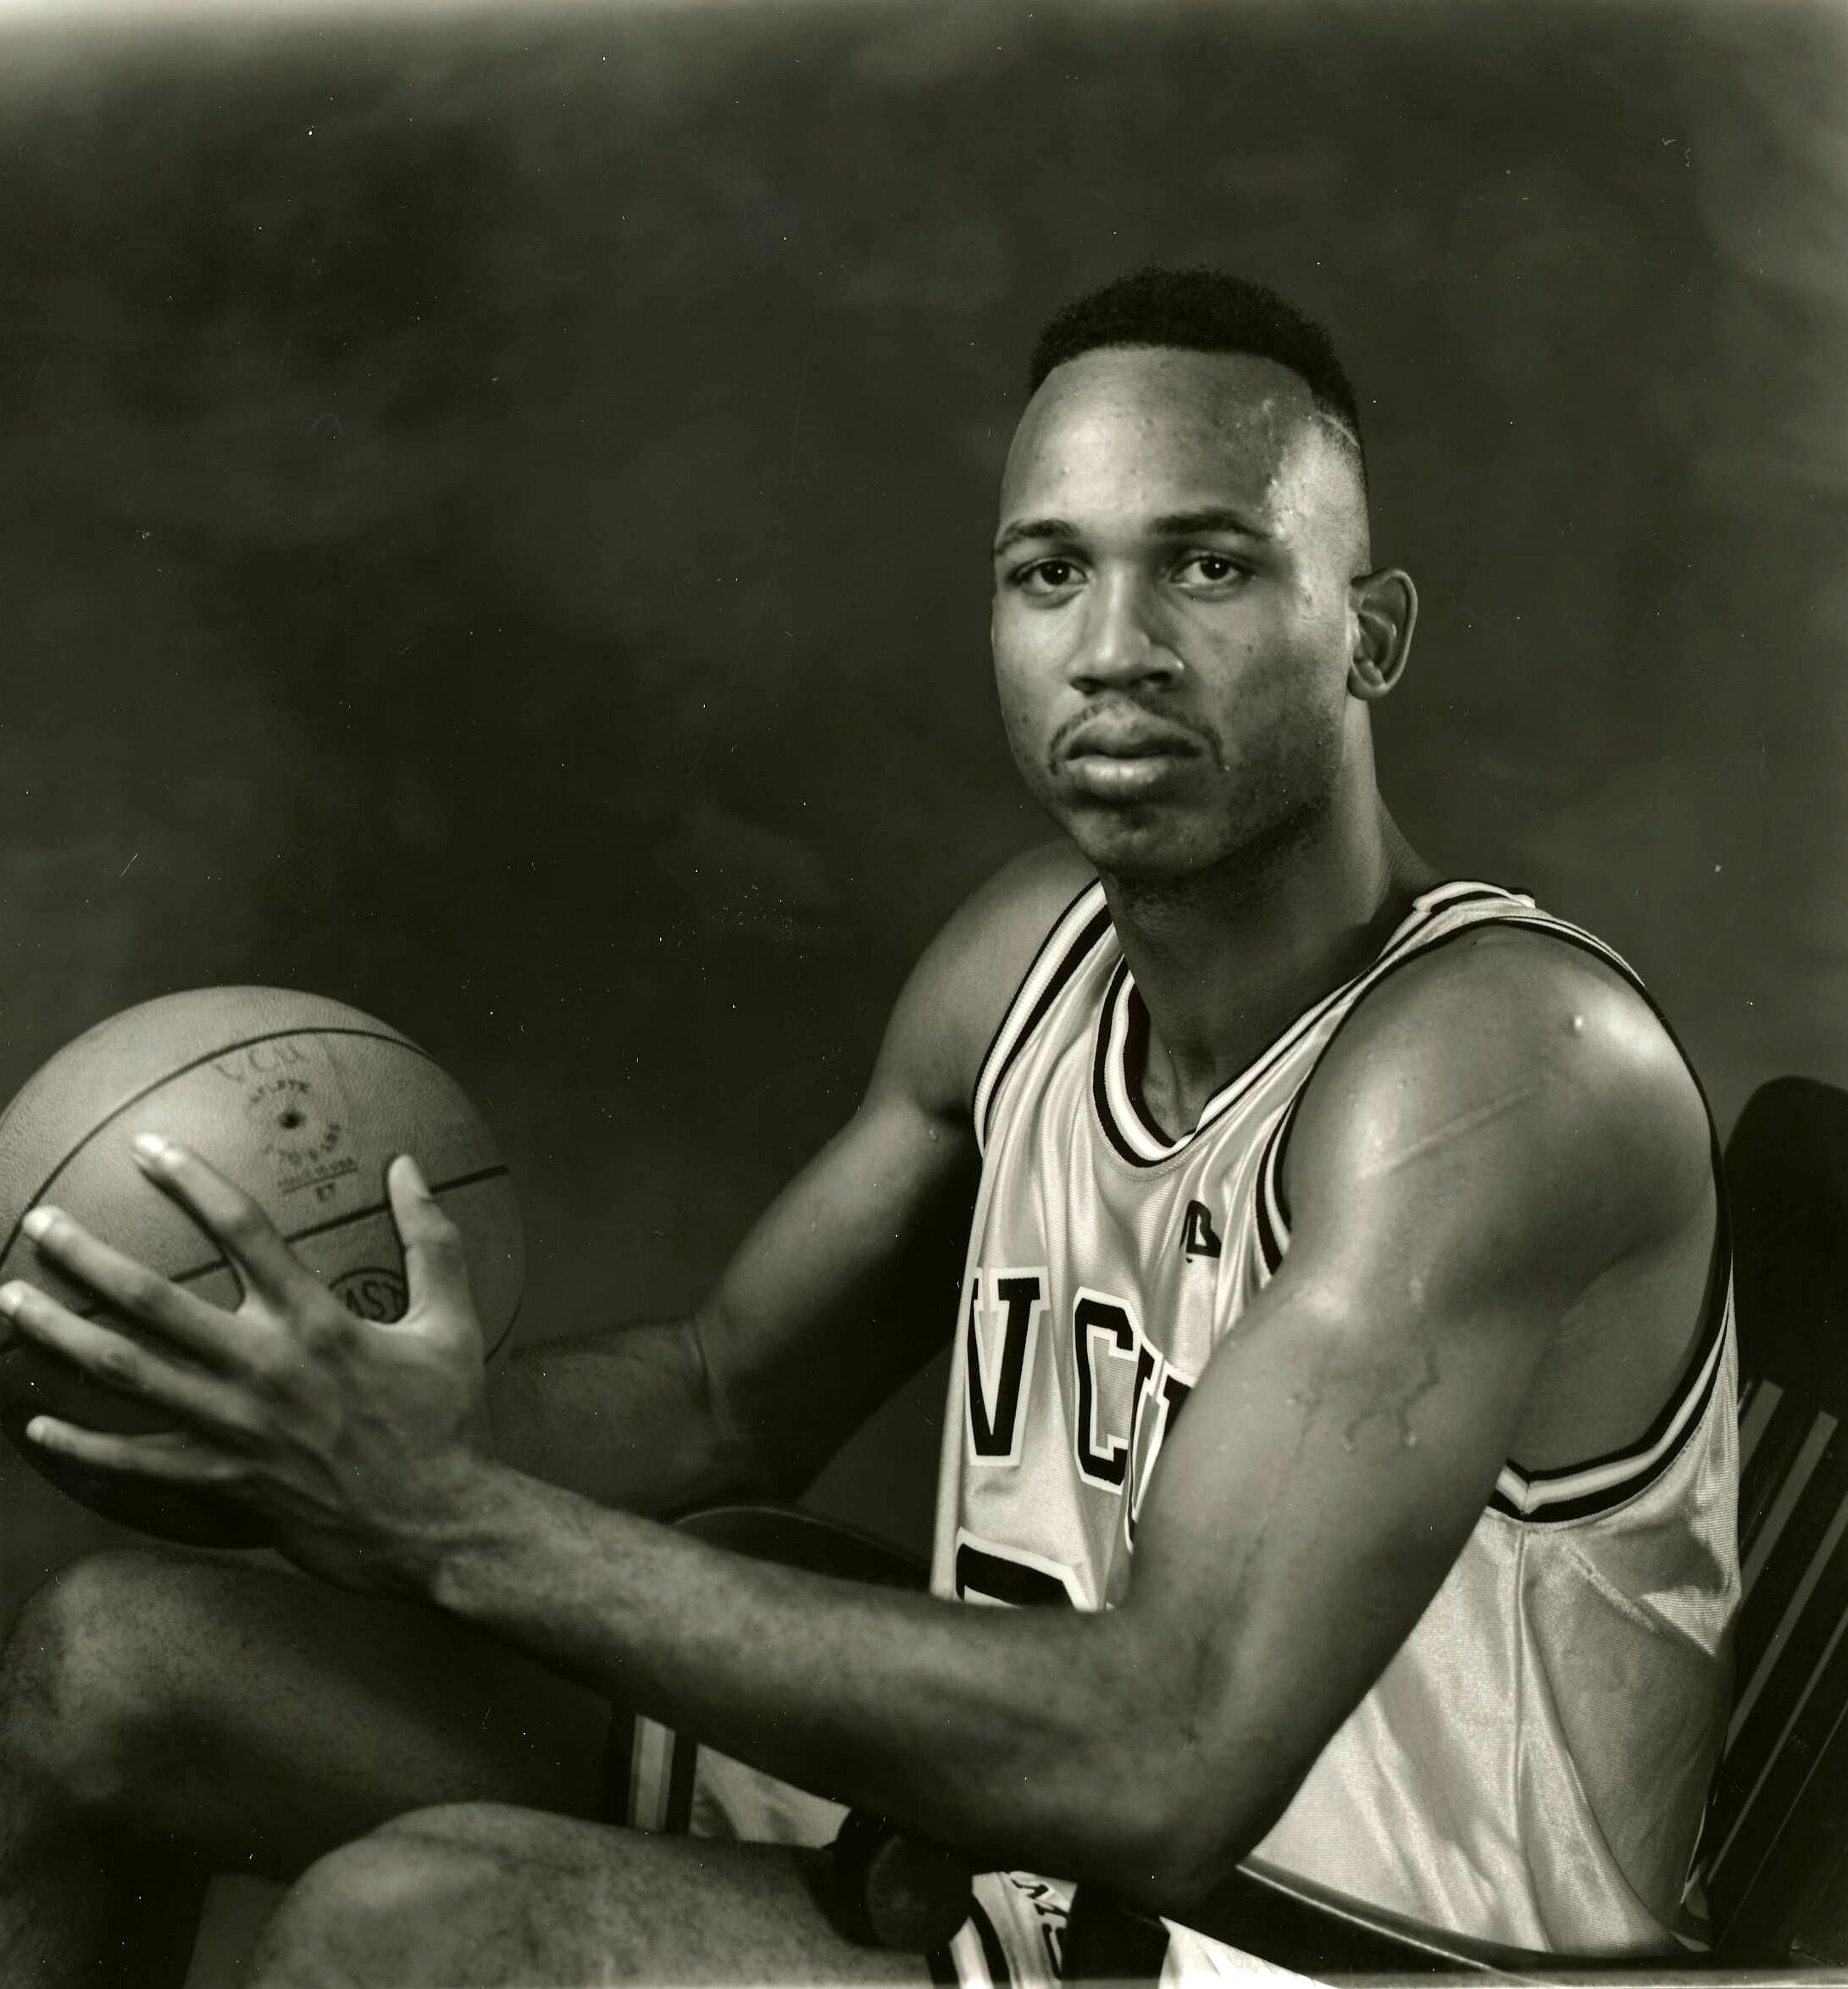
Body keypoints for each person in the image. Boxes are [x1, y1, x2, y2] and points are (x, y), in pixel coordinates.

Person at [0, 266, 1736, 1989]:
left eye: (1208, 565)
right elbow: (721, 1392)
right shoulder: (1030, 958)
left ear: (1366, 630)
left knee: (410, 1931)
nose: (1114, 650)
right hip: (1005, 1849)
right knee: (108, 1667)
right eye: (1049, 572)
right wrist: (294, 1415)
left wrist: (439, 1512)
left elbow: (1167, 1759)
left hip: (1333, 1949)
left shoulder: (1503, 1072)